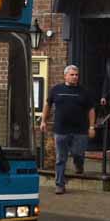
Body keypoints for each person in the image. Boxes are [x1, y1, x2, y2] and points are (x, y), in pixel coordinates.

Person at [40, 65, 96, 195]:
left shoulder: (84, 92)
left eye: (76, 75)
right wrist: (43, 121)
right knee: (61, 158)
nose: (75, 77)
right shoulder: (56, 90)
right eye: (72, 75)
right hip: (60, 130)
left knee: (78, 153)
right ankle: (59, 184)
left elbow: (91, 110)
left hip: (80, 131)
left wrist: (91, 127)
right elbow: (48, 105)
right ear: (65, 76)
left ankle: (78, 164)